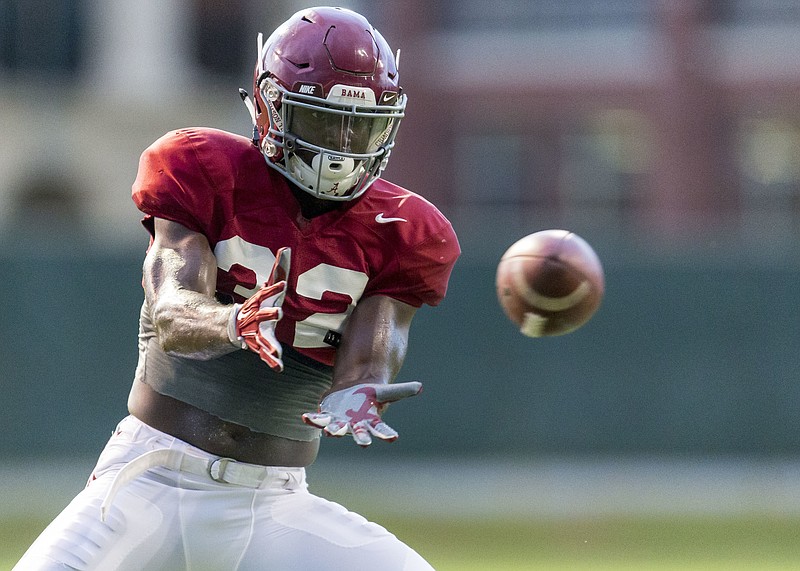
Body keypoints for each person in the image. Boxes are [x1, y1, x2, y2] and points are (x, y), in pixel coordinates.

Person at [14, 6, 460, 571]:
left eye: (362, 126)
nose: (344, 145)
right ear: (274, 109)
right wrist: (230, 322)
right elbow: (174, 312)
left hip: (272, 503)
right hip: (148, 481)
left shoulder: (401, 230)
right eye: (326, 122)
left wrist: (361, 390)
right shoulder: (204, 168)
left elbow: (375, 347)